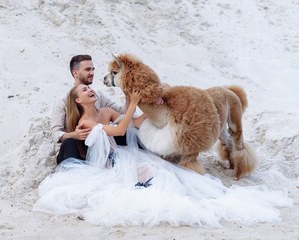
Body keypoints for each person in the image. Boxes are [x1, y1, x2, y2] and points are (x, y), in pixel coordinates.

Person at [34, 84, 292, 227]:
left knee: (165, 171)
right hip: (110, 165)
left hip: (123, 158)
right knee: (156, 179)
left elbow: (132, 123)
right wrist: (133, 103)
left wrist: (150, 106)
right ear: (78, 101)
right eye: (84, 91)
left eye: (90, 89)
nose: (90, 91)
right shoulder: (83, 123)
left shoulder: (104, 112)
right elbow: (120, 129)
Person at [50, 54, 129, 165]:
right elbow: (55, 133)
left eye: (93, 69)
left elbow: (122, 113)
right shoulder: (62, 101)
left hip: (98, 148)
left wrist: (128, 93)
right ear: (75, 73)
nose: (92, 72)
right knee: (70, 142)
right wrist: (74, 134)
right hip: (75, 152)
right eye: (87, 69)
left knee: (128, 132)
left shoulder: (98, 96)